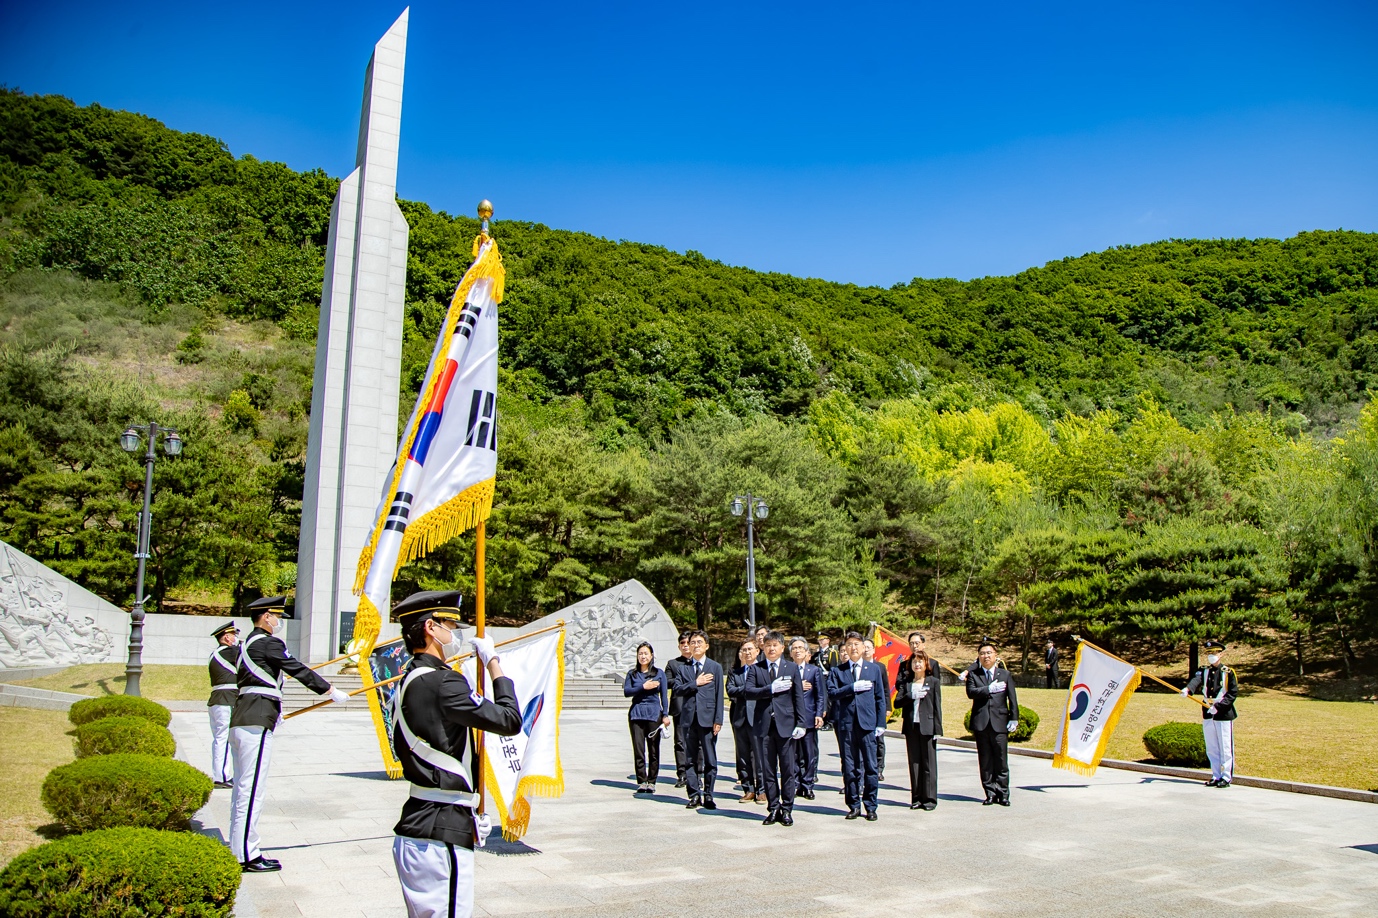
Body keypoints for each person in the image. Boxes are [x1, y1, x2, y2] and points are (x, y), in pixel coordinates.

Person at [389, 591, 521, 918]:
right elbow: (509, 719)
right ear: (431, 628)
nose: (456, 632)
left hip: (422, 822)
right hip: (440, 834)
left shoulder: (406, 682)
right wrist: (493, 662)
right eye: (450, 623)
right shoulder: (444, 682)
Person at [229, 596, 349, 872]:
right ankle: (247, 854)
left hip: (246, 715)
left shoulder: (245, 645)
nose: (278, 621)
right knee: (251, 788)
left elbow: (259, 680)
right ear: (266, 617)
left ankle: (240, 847)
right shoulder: (268, 643)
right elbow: (296, 669)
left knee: (242, 788)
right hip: (256, 718)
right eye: (276, 616)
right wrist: (330, 691)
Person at [744, 631, 806, 825]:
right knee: (768, 770)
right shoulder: (756, 669)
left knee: (788, 770)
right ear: (763, 647)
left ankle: (787, 809)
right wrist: (769, 689)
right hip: (764, 727)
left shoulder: (791, 668)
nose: (771, 648)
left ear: (781, 648)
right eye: (768, 645)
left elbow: (798, 698)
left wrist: (801, 723)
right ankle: (773, 807)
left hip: (786, 726)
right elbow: (748, 692)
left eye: (775, 645)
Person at [828, 632, 886, 821]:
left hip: (867, 724)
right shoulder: (838, 670)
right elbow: (832, 693)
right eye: (850, 644)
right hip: (847, 724)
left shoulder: (873, 669)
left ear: (863, 648)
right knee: (850, 767)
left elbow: (880, 697)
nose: (853, 648)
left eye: (857, 644)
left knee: (870, 766)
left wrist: (880, 723)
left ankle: (871, 805)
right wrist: (851, 688)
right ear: (845, 648)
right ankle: (853, 804)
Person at [670, 630, 723, 810]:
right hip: (688, 719)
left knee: (710, 759)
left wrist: (718, 719)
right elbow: (677, 689)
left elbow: (719, 696)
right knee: (690, 758)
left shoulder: (715, 667)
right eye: (693, 642)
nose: (696, 645)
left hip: (708, 719)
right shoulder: (683, 668)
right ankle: (693, 794)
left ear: (707, 646)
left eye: (699, 642)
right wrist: (695, 683)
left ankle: (708, 794)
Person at [966, 639, 1019, 807]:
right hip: (981, 722)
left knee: (1001, 760)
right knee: (985, 760)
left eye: (989, 653)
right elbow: (971, 692)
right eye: (982, 653)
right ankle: (989, 792)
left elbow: (1013, 698)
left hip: (999, 722)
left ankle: (1003, 793)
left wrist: (1014, 717)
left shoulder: (1005, 675)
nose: (986, 656)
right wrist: (988, 689)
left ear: (996, 655)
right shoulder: (974, 674)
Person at [1182, 640, 1238, 788]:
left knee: (1225, 747)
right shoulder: (1204, 670)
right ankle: (1216, 775)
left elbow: (1232, 694)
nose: (1211, 656)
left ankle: (1226, 777)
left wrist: (1219, 706)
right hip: (1207, 711)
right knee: (1212, 747)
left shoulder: (1228, 672)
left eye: (1214, 653)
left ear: (1221, 654)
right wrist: (1188, 689)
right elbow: (1196, 680)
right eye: (1209, 653)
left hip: (1223, 713)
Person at [897, 648, 943, 810]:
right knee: (914, 763)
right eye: (914, 662)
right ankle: (916, 798)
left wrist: (938, 730)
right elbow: (897, 702)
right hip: (911, 727)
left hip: (928, 726)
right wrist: (911, 696)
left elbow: (937, 707)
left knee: (928, 764)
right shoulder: (907, 682)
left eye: (920, 661)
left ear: (926, 664)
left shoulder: (933, 682)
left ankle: (930, 799)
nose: (917, 664)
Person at [624, 641, 671, 794]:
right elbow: (627, 691)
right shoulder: (632, 674)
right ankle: (642, 780)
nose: (643, 656)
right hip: (636, 714)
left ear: (651, 656)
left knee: (653, 749)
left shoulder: (659, 673)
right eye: (640, 654)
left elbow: (664, 696)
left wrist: (665, 715)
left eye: (646, 654)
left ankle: (652, 781)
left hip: (653, 714)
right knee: (638, 749)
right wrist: (643, 687)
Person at [789, 636, 826, 800]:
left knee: (809, 753)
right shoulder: (786, 669)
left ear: (806, 652)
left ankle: (808, 784)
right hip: (791, 717)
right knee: (793, 754)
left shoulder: (814, 670)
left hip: (810, 716)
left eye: (800, 648)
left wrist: (819, 713)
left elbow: (820, 695)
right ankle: (796, 783)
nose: (797, 651)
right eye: (794, 648)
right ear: (790, 653)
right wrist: (795, 687)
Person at [727, 639, 762, 802]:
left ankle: (762, 789)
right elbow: (731, 690)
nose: (747, 652)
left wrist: (749, 691)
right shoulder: (735, 672)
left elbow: (766, 691)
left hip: (759, 719)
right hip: (740, 718)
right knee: (743, 756)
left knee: (761, 755)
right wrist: (749, 690)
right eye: (744, 650)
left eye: (750, 649)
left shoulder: (764, 670)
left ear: (757, 651)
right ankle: (748, 789)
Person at [207, 621, 240, 789]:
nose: (236, 639)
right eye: (234, 635)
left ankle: (221, 774)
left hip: (218, 699)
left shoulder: (216, 653)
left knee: (220, 738)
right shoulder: (229, 652)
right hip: (225, 700)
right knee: (224, 739)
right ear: (226, 637)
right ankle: (221, 776)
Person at [664, 633, 693, 788]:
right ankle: (682, 773)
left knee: (698, 742)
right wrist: (686, 679)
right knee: (680, 742)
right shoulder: (673, 663)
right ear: (679, 646)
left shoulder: (698, 663)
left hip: (697, 708)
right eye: (682, 642)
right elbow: (667, 682)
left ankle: (697, 773)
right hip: (680, 708)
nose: (686, 645)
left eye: (688, 642)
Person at [862, 639, 891, 781]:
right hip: (863, 710)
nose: (866, 650)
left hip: (876, 707)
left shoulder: (879, 667)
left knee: (879, 740)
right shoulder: (858, 666)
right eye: (864, 647)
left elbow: (885, 689)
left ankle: (879, 768)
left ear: (874, 650)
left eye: (869, 647)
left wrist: (887, 707)